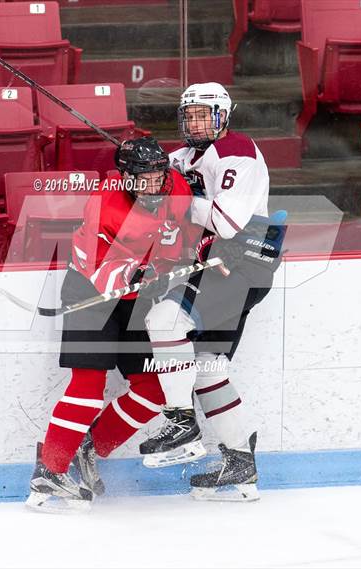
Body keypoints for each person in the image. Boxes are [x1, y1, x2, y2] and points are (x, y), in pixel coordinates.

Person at [26, 137, 193, 512]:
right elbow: (97, 269)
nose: (155, 185)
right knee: (87, 388)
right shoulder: (104, 205)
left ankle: (88, 448)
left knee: (154, 389)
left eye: (158, 177)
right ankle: (49, 475)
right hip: (92, 294)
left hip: (137, 300)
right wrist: (145, 272)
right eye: (145, 179)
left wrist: (173, 264)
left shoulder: (175, 186)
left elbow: (184, 229)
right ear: (125, 177)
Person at [137, 82, 286, 501]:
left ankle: (181, 421)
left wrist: (175, 192)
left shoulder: (237, 151)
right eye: (190, 115)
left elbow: (226, 223)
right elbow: (153, 191)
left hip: (241, 262)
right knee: (206, 366)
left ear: (224, 116)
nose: (196, 122)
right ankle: (240, 464)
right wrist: (145, 177)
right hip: (215, 264)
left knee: (164, 319)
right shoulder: (182, 157)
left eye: (205, 114)